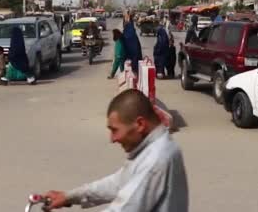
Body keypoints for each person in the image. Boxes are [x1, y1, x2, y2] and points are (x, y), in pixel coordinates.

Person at [44, 89, 188, 212]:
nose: (112, 139)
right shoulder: (152, 149)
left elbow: (125, 207)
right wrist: (69, 196)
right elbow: (118, 183)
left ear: (139, 124)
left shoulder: (156, 158)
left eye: (115, 130)